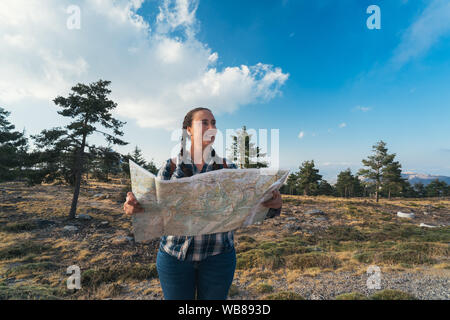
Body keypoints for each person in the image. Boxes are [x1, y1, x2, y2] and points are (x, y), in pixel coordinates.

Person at [123, 107, 282, 300]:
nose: (211, 127)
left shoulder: (228, 168)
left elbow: (250, 208)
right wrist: (133, 207)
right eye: (204, 122)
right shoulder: (170, 167)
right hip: (174, 256)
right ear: (188, 129)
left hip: (219, 257)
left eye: (214, 123)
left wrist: (274, 206)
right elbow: (146, 207)